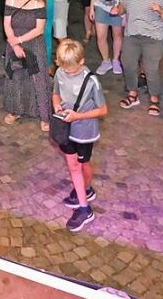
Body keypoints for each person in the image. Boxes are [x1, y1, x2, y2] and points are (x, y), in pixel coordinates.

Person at [52, 38, 107, 233]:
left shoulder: (91, 80)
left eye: (72, 70)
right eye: (65, 69)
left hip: (84, 130)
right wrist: (57, 105)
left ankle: (86, 188)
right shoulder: (60, 71)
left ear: (81, 61)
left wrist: (78, 116)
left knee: (83, 164)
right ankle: (84, 208)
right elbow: (56, 93)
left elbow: (102, 110)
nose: (68, 72)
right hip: (65, 128)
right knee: (73, 166)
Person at [114, 0, 163, 116]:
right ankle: (132, 94)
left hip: (154, 36)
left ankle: (154, 98)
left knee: (150, 69)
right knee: (127, 64)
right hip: (132, 34)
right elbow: (122, 7)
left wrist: (160, 10)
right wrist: (117, 9)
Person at [2, 0, 51, 131]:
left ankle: (44, 116)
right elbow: (7, 25)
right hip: (14, 42)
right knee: (15, 77)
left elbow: (39, 29)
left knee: (38, 79)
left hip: (34, 43)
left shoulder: (39, 2)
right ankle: (16, 110)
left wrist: (20, 41)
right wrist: (15, 45)